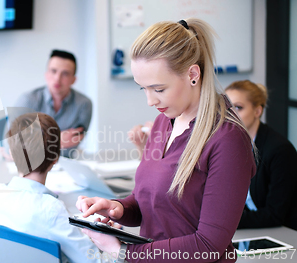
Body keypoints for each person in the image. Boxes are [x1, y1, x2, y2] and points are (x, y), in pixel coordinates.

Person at [76, 19, 256, 262]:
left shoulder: (228, 140)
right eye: (144, 89)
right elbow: (152, 203)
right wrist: (118, 208)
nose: (150, 101)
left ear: (193, 74)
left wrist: (123, 252)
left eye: (158, 89)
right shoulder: (165, 121)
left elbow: (208, 245)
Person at [0, 113, 100, 263]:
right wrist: (106, 241)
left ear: (11, 153)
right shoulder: (50, 209)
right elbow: (94, 260)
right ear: (56, 158)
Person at [225, 80, 297, 230]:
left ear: (257, 111)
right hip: (252, 230)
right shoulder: (232, 144)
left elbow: (275, 214)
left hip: (281, 234)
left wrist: (224, 221)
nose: (230, 115)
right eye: (226, 108)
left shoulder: (280, 150)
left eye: (238, 107)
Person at [14, 49, 92, 158]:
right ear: (46, 74)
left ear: (73, 79)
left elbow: (72, 143)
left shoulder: (84, 104)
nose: (57, 78)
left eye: (65, 73)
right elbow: (13, 147)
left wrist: (35, 141)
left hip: (63, 166)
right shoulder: (28, 100)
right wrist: (56, 141)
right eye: (53, 71)